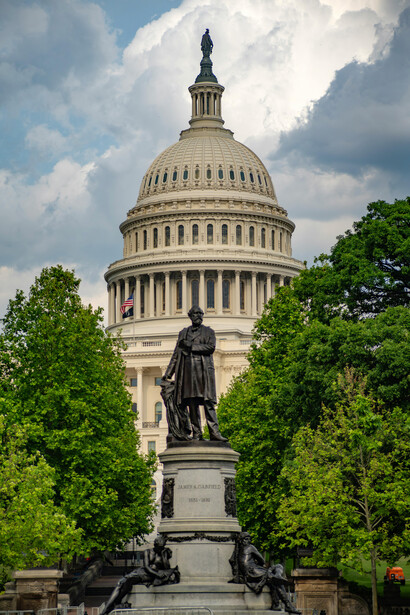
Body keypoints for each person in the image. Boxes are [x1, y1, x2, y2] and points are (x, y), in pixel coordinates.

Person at [163, 306, 227, 441]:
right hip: (188, 374)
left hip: (203, 373)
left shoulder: (208, 332)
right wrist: (168, 374)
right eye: (195, 313)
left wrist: (191, 347)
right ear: (190, 316)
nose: (198, 315)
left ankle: (214, 432)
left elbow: (211, 347)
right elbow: (176, 355)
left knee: (208, 403)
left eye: (200, 313)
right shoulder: (183, 333)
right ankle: (197, 433)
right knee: (192, 404)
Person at [100, 535, 179, 615]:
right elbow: (146, 566)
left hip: (150, 576)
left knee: (125, 582)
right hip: (143, 572)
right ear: (155, 545)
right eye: (159, 547)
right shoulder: (147, 552)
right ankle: (108, 608)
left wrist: (163, 555)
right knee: (122, 583)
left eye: (162, 547)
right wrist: (157, 574)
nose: (161, 548)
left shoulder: (164, 553)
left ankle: (109, 608)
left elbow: (166, 568)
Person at [229, 532, 301, 614]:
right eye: (246, 539)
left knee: (273, 579)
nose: (248, 541)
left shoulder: (237, 551)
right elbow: (262, 560)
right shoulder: (250, 547)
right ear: (241, 540)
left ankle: (276, 604)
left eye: (249, 539)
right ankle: (288, 606)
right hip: (254, 572)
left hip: (248, 574)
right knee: (278, 568)